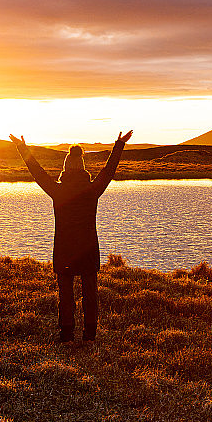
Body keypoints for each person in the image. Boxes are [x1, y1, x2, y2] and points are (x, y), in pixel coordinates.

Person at [9, 130, 133, 343]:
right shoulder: (93, 190)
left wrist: (22, 148)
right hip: (87, 249)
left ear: (66, 168)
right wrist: (119, 144)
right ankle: (90, 335)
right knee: (90, 294)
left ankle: (66, 334)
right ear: (83, 167)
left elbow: (37, 173)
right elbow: (108, 171)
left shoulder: (57, 190)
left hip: (65, 250)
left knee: (65, 294)